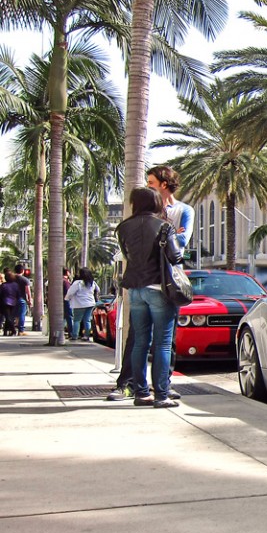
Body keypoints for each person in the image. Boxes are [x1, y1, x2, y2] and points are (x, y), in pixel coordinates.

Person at [109, 166, 193, 401]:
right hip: (159, 288)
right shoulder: (164, 226)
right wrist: (173, 236)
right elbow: (176, 257)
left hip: (135, 289)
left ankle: (140, 392)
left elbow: (126, 254)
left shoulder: (123, 227)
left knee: (139, 343)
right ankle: (162, 395)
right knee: (163, 344)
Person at [64, 268, 100, 340]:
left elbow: (70, 292)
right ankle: (87, 336)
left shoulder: (78, 283)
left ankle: (75, 336)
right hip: (90, 303)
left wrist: (66, 298)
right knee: (87, 320)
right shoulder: (92, 282)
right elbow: (98, 290)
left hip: (79, 303)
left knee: (77, 320)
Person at [12, 263, 31, 336]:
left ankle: (12, 329)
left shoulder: (12, 278)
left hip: (12, 299)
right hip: (21, 299)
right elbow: (28, 291)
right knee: (21, 315)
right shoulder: (25, 280)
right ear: (22, 271)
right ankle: (21, 331)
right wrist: (29, 300)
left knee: (13, 315)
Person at [1, 269, 20, 336]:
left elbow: (1, 294)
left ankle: (13, 330)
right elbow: (18, 294)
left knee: (8, 317)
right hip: (13, 302)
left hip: (5, 303)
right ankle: (6, 331)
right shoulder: (16, 285)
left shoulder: (3, 285)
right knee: (9, 317)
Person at [62, 268, 74, 337]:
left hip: (63, 301)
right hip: (66, 301)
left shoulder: (60, 281)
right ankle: (71, 333)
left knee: (64, 317)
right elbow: (68, 293)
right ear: (67, 272)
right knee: (69, 317)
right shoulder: (66, 282)